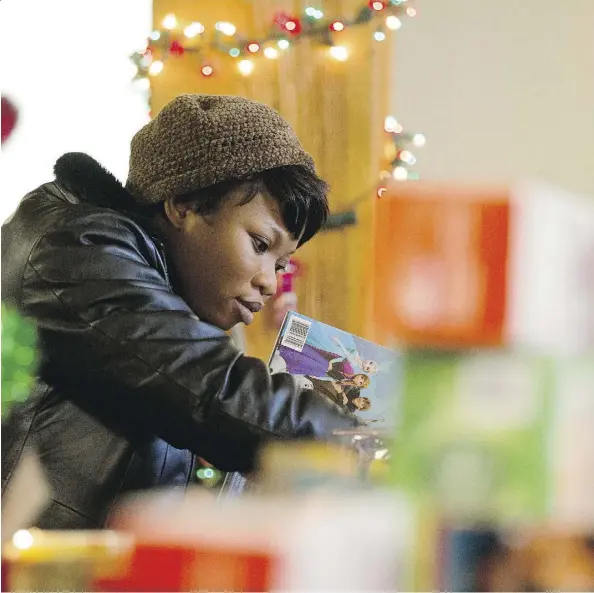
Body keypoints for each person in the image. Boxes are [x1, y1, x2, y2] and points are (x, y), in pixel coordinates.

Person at [1, 94, 361, 529]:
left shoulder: (168, 302)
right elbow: (212, 387)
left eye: (281, 265)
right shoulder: (76, 249)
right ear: (183, 204)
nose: (269, 281)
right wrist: (362, 446)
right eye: (260, 245)